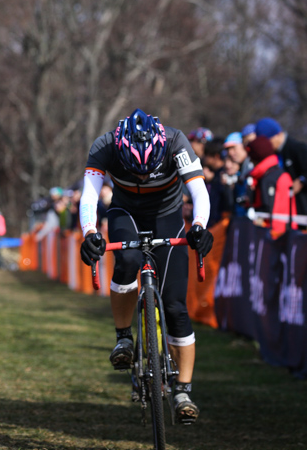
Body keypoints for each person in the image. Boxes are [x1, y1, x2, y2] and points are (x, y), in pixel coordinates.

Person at [79, 108, 214, 425]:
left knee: (175, 306)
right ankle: (124, 336)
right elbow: (89, 196)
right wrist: (89, 233)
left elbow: (199, 191)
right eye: (134, 171)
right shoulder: (105, 146)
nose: (141, 176)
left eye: (147, 171)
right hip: (125, 213)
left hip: (168, 216)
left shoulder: (176, 142)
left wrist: (198, 226)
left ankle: (182, 390)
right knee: (126, 261)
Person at [255, 117, 307, 221]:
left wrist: (302, 180)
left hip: (302, 209)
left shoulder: (298, 149)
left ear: (277, 135)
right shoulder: (276, 153)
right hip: (286, 212)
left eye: (268, 141)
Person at [245, 136, 297, 233]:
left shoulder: (275, 178)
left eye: (251, 158)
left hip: (277, 238)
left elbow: (279, 215)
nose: (250, 161)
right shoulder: (262, 176)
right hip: (268, 235)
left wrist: (274, 241)